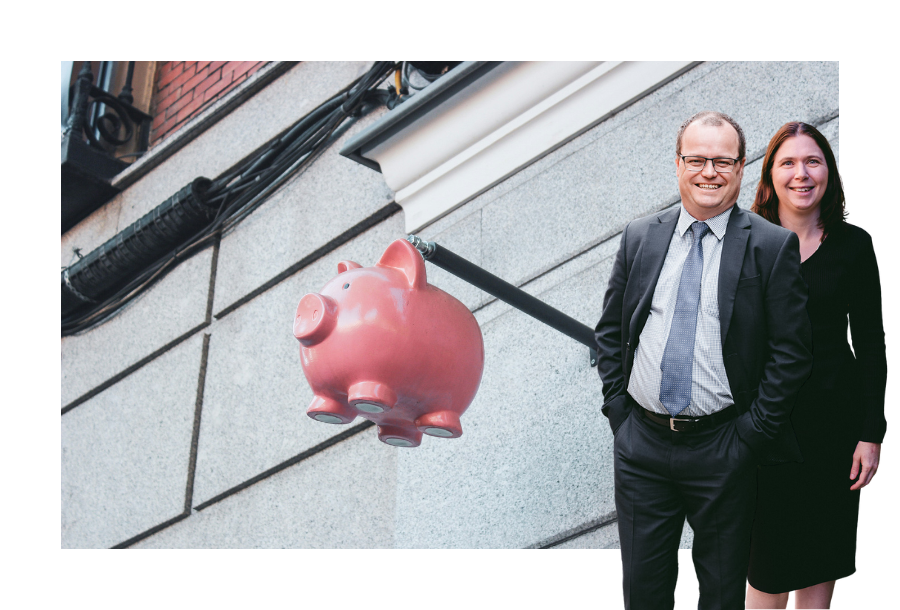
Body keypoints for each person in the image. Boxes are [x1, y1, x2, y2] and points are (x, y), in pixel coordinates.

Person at [594, 110, 813, 610]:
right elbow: (610, 330)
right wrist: (619, 413)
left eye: (722, 161)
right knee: (643, 594)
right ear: (678, 165)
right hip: (641, 447)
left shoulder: (772, 246)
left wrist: (749, 436)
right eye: (697, 159)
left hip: (724, 448)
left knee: (720, 593)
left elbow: (792, 354)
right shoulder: (640, 237)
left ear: (740, 168)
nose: (708, 172)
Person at [746, 122, 887, 609]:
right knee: (766, 573)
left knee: (819, 566)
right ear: (770, 177)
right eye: (788, 162)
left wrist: (871, 432)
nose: (801, 174)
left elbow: (870, 341)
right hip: (764, 432)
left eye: (813, 161)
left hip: (834, 432)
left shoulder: (854, 245)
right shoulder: (746, 246)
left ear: (828, 172)